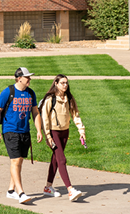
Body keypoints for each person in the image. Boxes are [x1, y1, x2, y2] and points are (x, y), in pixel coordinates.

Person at [0, 67, 43, 205]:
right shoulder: (8, 92)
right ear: (19, 78)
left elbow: (35, 113)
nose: (29, 79)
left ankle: (10, 191)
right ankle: (21, 193)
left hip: (24, 131)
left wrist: (39, 130)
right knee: (15, 161)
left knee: (19, 161)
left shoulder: (30, 93)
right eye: (27, 77)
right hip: (10, 130)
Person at [40, 74, 86, 202]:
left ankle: (48, 187)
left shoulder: (69, 98)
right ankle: (70, 190)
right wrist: (48, 136)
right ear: (56, 83)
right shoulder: (50, 99)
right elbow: (44, 119)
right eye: (62, 83)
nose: (65, 85)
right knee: (62, 159)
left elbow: (75, 115)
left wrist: (81, 131)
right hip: (53, 132)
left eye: (66, 83)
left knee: (55, 159)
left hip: (65, 132)